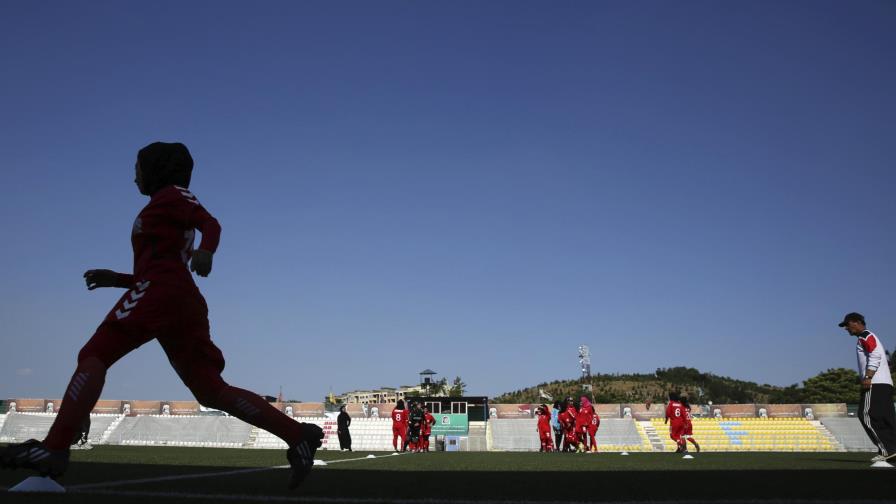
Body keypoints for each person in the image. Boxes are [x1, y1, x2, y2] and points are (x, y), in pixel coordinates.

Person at [0, 142, 323, 488]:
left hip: (161, 291)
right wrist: (118, 280)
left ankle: (54, 447)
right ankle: (297, 435)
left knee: (94, 354)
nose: (133, 176)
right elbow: (162, 261)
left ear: (157, 169)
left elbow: (210, 224)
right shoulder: (165, 203)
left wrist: (206, 252)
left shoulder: (173, 194)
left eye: (137, 167)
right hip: (178, 298)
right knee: (210, 389)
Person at [839, 312, 896, 461]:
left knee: (865, 415)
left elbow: (875, 354)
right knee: (887, 417)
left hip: (875, 382)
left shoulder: (865, 335)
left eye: (847, 324)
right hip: (885, 383)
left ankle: (887, 450)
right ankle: (892, 449)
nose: (846, 328)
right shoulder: (867, 336)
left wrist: (868, 376)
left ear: (857, 322)